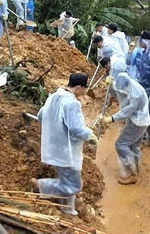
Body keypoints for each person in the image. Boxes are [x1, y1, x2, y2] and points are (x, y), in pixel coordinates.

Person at [32, 73, 98, 215]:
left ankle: (68, 208)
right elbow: (76, 129)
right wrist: (89, 135)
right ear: (79, 87)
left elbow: (41, 116)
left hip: (54, 147)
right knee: (74, 185)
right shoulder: (72, 103)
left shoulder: (54, 96)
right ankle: (42, 186)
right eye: (84, 89)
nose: (84, 92)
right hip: (67, 151)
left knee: (66, 179)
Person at [98, 59, 149, 184]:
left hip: (138, 122)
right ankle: (136, 169)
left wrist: (111, 119)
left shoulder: (135, 93)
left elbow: (127, 110)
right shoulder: (125, 83)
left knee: (120, 144)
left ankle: (131, 174)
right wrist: (108, 85)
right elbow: (116, 91)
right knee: (134, 145)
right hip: (139, 120)